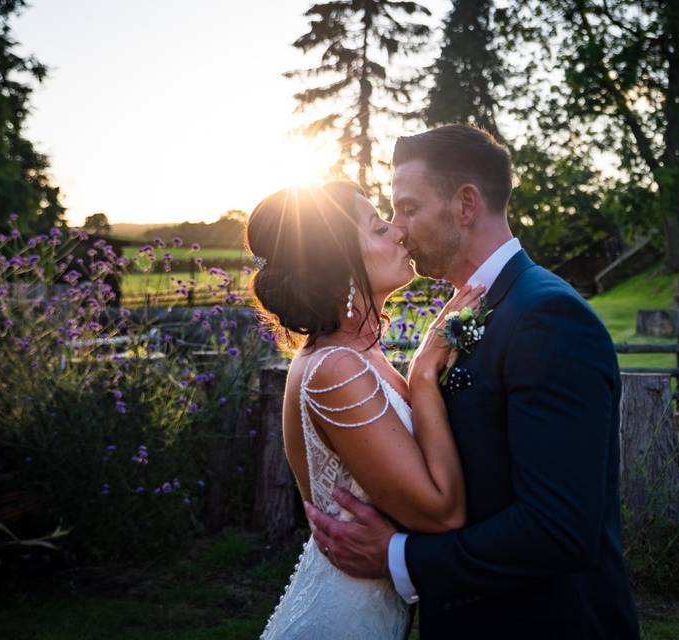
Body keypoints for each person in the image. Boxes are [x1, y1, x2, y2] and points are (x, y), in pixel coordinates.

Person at [305, 125, 641, 638]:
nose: (399, 228)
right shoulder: (472, 310)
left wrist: (400, 557)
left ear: (465, 204)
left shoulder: (547, 317)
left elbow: (559, 529)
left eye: (409, 208)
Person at [249, 180, 485, 639]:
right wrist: (421, 377)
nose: (399, 232)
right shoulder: (336, 369)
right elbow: (442, 513)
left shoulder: (357, 355)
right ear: (340, 270)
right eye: (378, 228)